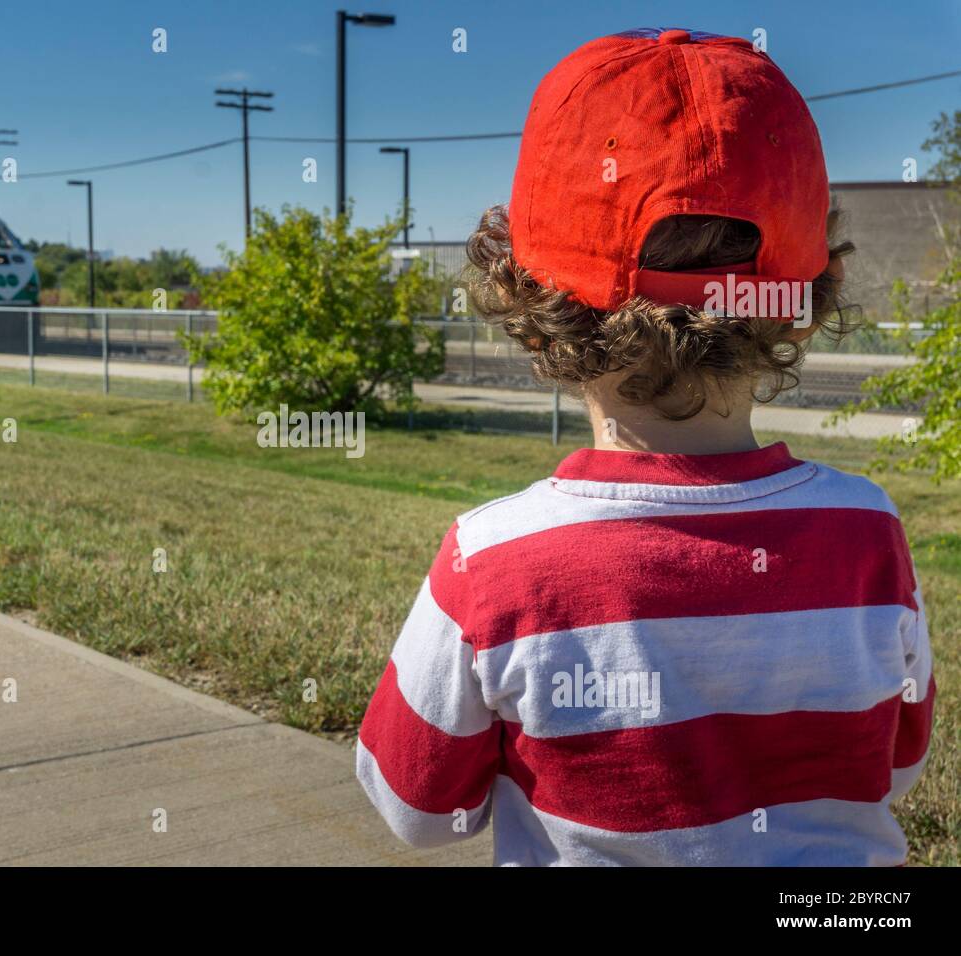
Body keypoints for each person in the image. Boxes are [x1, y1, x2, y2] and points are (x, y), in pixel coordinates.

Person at [355, 28, 934, 866]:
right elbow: (899, 766)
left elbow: (415, 805)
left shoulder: (493, 563)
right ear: (808, 292)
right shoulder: (868, 533)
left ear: (530, 291)